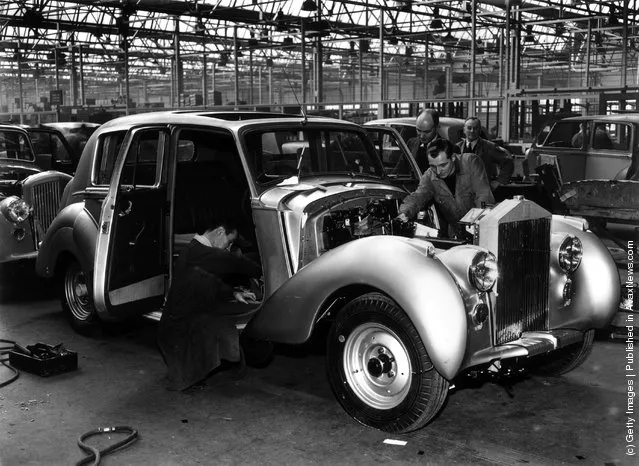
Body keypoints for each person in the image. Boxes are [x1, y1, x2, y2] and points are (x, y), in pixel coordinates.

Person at [157, 219, 262, 391]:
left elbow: (210, 280)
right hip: (178, 330)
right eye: (229, 242)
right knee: (186, 378)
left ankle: (218, 366)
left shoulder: (196, 252)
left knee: (221, 328)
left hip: (182, 323)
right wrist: (265, 269)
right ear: (220, 232)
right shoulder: (198, 251)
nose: (228, 248)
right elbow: (232, 261)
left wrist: (234, 292)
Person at [396, 138, 495, 239]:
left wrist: (479, 228)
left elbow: (483, 196)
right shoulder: (430, 176)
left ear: (453, 157)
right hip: (457, 234)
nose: (438, 171)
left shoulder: (470, 163)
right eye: (433, 166)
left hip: (483, 230)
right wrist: (404, 213)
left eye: (443, 165)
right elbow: (417, 197)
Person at [457, 117, 514, 191]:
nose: (472, 131)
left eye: (475, 128)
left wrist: (499, 181)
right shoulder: (457, 147)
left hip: (483, 192)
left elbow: (508, 161)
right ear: (464, 130)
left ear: (480, 130)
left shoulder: (489, 147)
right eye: (469, 128)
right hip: (462, 192)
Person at [396, 108, 449, 174]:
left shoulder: (448, 148)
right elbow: (399, 170)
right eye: (418, 130)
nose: (422, 136)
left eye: (427, 132)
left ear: (437, 127)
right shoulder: (411, 143)